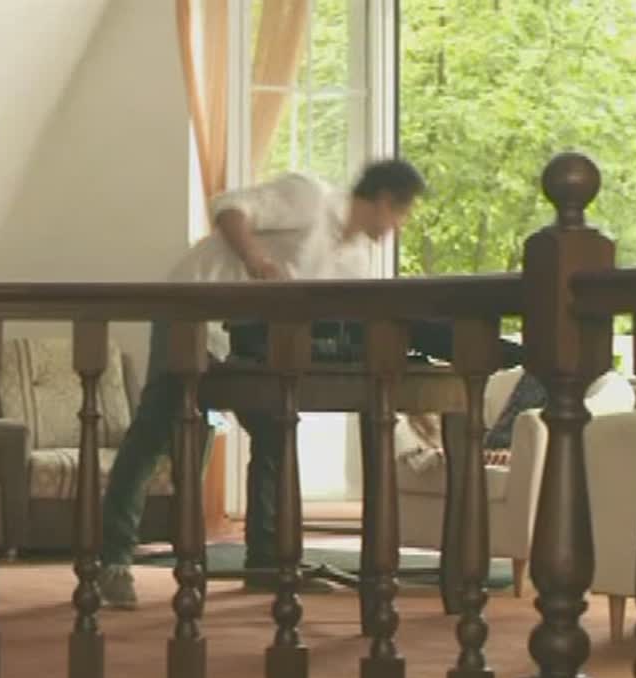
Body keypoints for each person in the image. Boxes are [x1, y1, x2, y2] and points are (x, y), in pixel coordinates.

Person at [98, 159, 431, 609]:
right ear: (386, 201)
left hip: (250, 341)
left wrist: (411, 401)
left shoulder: (356, 261)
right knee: (156, 429)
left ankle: (266, 563)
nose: (399, 225)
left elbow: (352, 327)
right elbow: (230, 209)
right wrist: (256, 260)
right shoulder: (309, 197)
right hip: (192, 310)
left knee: (275, 431)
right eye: (402, 213)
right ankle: (112, 562)